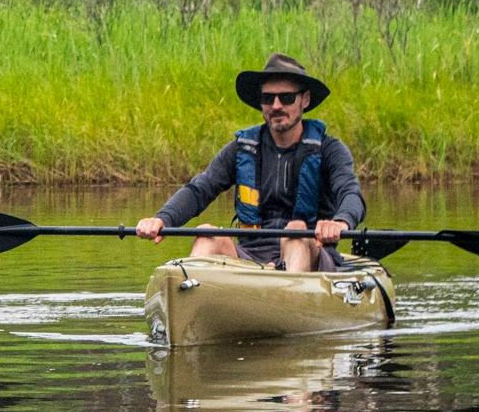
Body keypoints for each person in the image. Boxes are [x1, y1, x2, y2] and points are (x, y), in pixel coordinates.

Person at [135, 53, 363, 273]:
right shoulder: (241, 148)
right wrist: (162, 218)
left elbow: (350, 192)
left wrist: (341, 222)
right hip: (251, 256)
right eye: (267, 98)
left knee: (295, 231)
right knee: (206, 233)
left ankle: (289, 297)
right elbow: (200, 189)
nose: (276, 106)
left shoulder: (330, 150)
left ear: (304, 100)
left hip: (312, 253)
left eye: (286, 98)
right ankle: (194, 297)